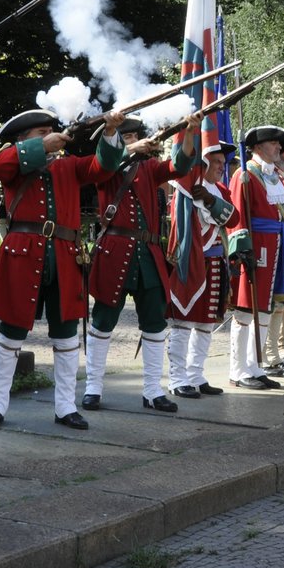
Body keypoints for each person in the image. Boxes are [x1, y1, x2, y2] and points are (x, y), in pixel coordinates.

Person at [0, 107, 122, 429]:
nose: (50, 138)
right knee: (10, 334)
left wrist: (110, 132)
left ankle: (65, 406)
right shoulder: (12, 160)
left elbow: (104, 166)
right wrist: (42, 146)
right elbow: (2, 166)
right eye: (41, 134)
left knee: (67, 336)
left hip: (65, 256)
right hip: (23, 254)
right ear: (23, 139)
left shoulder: (69, 165)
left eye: (49, 133)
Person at [84, 114, 201, 411]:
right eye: (127, 138)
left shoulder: (149, 168)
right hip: (115, 249)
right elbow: (107, 161)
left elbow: (180, 166)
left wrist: (189, 132)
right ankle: (93, 388)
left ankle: (152, 390)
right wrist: (128, 150)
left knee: (154, 324)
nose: (134, 142)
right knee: (103, 321)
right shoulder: (104, 165)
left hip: (148, 252)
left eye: (135, 137)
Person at [225, 126, 284, 388]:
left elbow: (281, 209)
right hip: (255, 249)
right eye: (273, 144)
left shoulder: (274, 176)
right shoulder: (245, 175)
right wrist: (242, 250)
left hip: (276, 246)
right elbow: (238, 215)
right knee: (245, 310)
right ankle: (237, 370)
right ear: (257, 147)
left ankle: (254, 365)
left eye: (279, 144)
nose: (279, 148)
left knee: (265, 309)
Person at [165, 141, 237, 395]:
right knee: (183, 321)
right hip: (191, 261)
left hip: (215, 262)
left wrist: (209, 199)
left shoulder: (220, 191)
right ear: (203, 163)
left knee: (206, 323)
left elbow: (234, 217)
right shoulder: (185, 192)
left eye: (222, 163)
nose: (221, 167)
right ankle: (177, 379)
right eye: (216, 161)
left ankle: (196, 374)